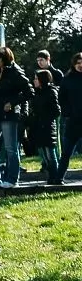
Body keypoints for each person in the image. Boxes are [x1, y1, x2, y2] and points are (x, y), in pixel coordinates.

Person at [0, 46, 33, 191]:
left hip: (9, 115)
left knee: (11, 148)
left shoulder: (16, 72)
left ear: (5, 58)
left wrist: (13, 103)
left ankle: (12, 179)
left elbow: (29, 91)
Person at [30, 70, 62, 183]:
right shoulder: (37, 92)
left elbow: (56, 110)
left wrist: (45, 118)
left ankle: (55, 176)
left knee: (50, 153)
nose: (34, 81)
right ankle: (51, 175)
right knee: (44, 153)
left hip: (48, 126)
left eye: (36, 78)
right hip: (39, 126)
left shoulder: (51, 92)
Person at [58, 52, 82, 183]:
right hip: (73, 120)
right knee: (66, 152)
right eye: (78, 63)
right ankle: (59, 177)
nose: (80, 65)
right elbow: (61, 98)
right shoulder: (68, 79)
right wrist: (67, 112)